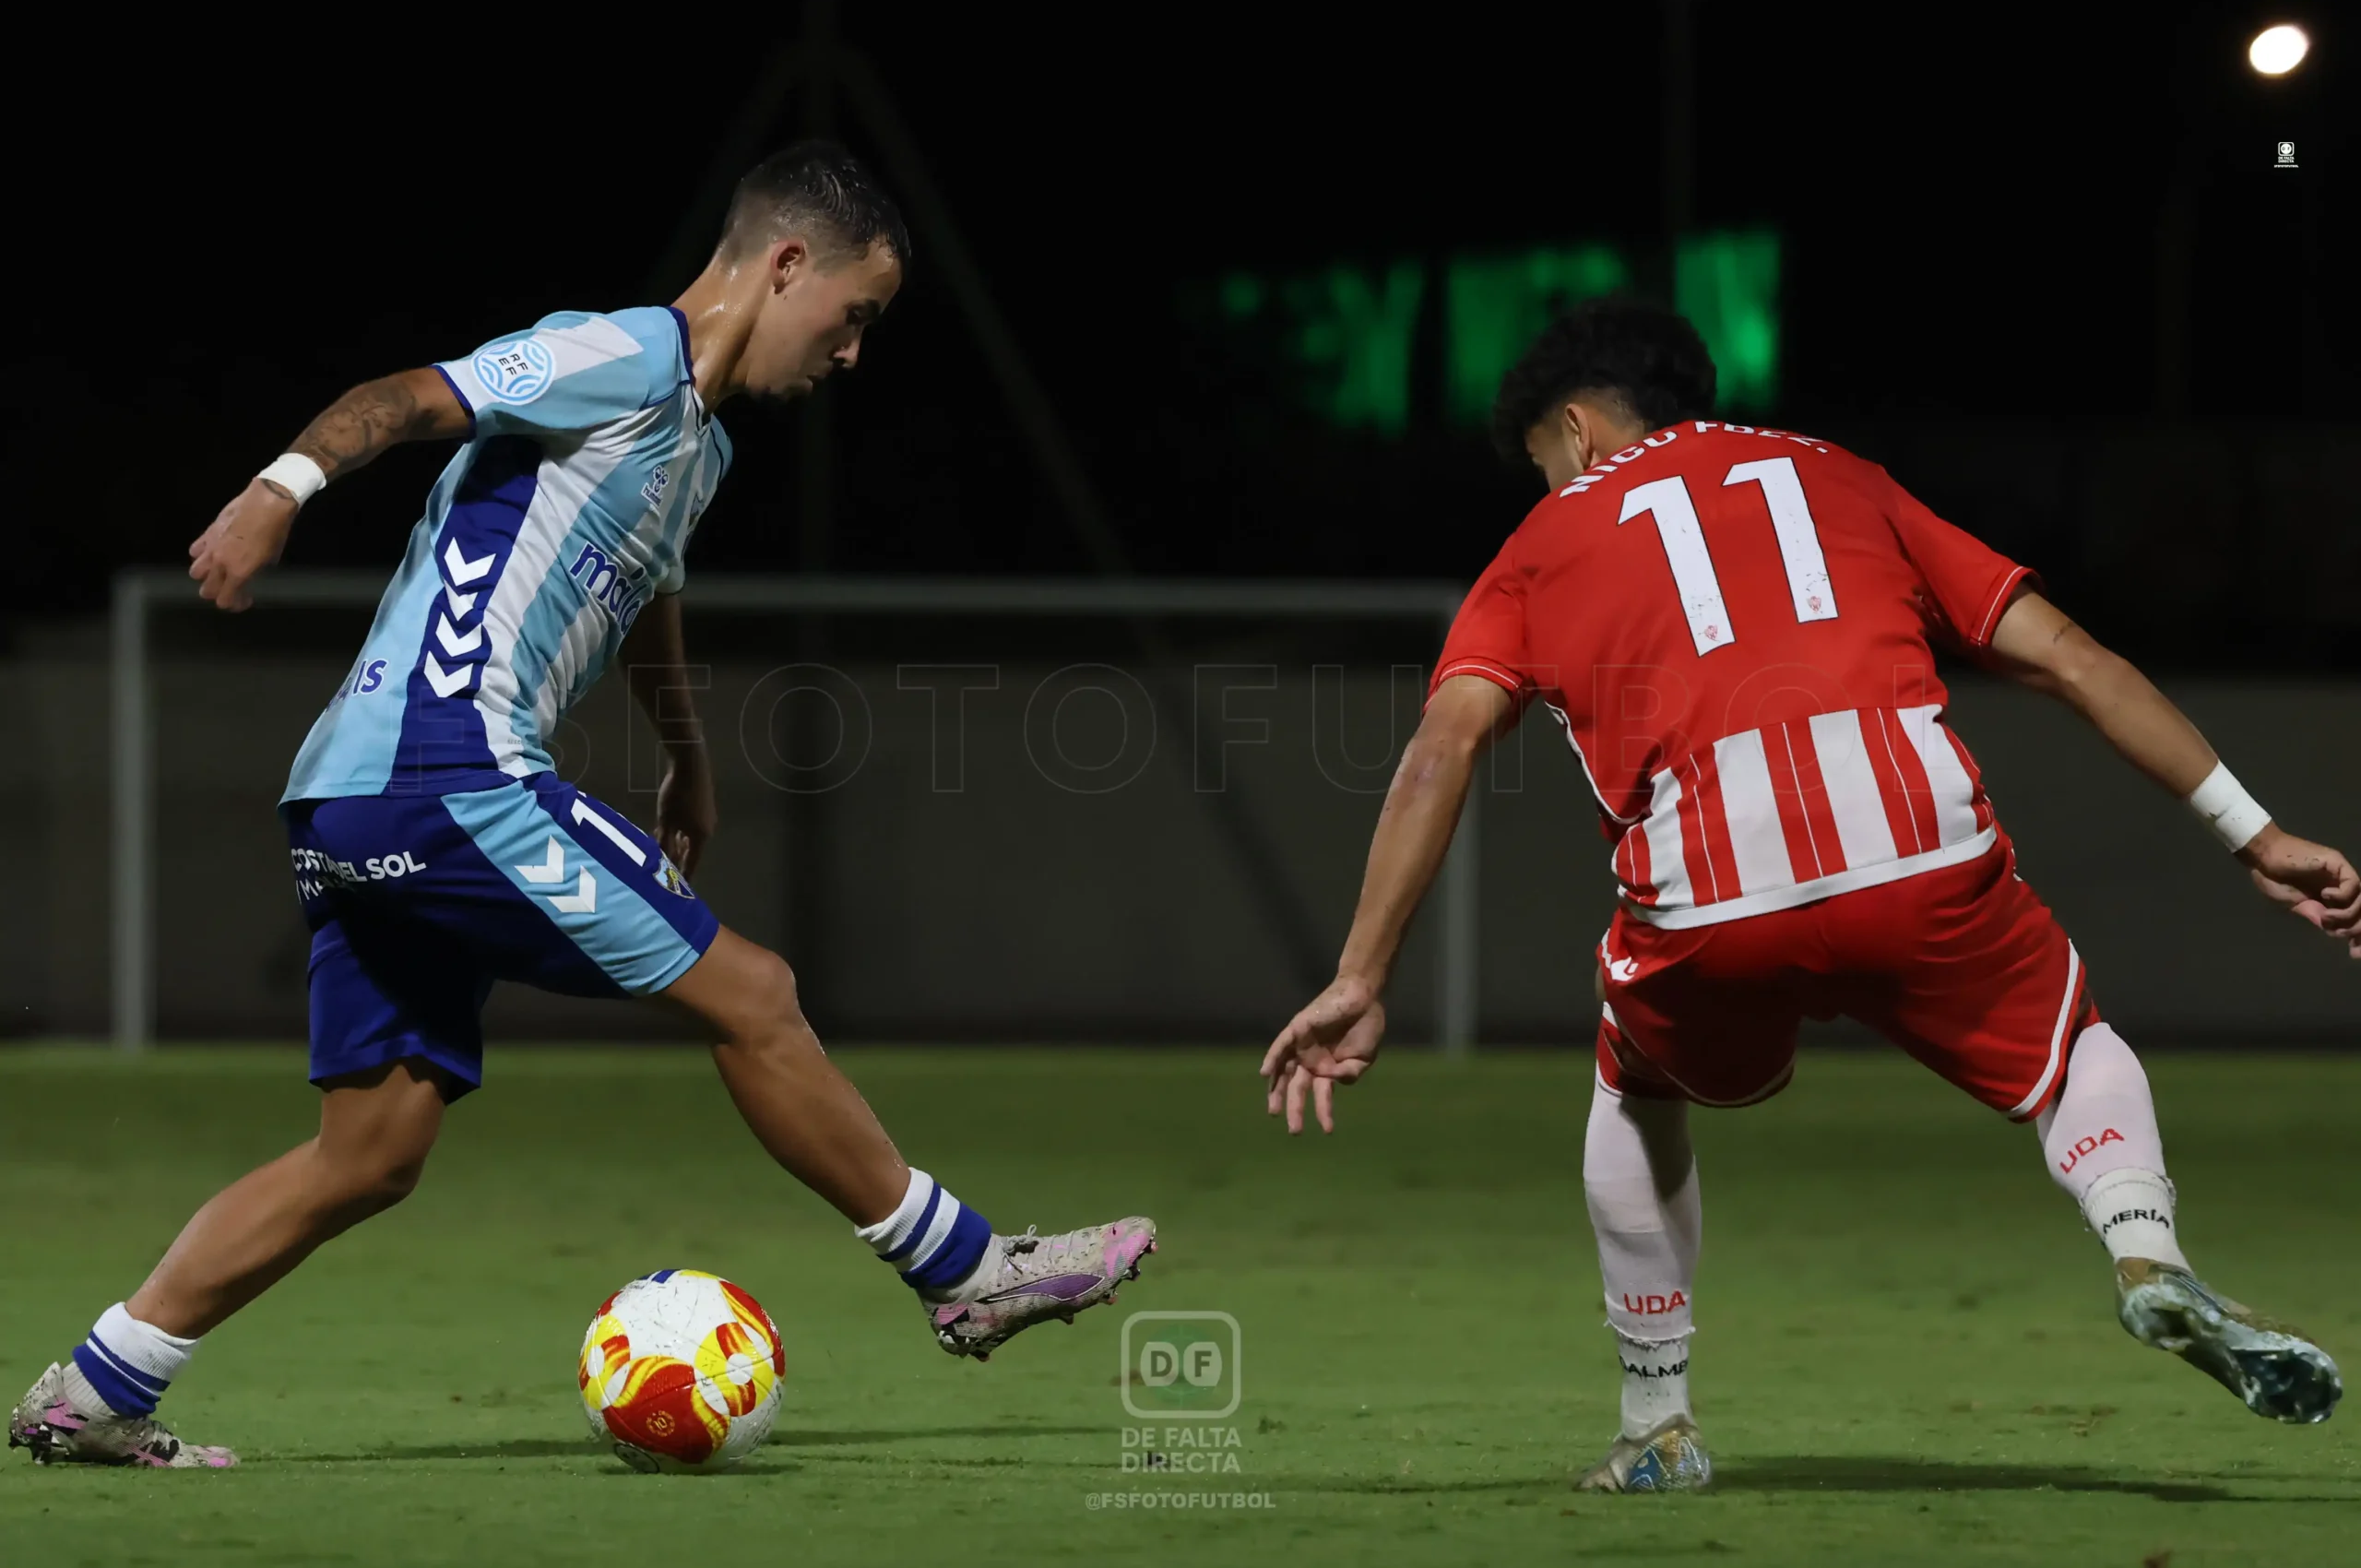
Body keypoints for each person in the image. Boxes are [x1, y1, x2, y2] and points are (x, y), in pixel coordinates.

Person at [9, 142, 1155, 1471]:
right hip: (447, 775)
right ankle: (964, 1268)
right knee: (756, 992)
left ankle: (92, 1390)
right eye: (856, 315)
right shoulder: (618, 355)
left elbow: (649, 590)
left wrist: (687, 752)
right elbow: (407, 396)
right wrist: (279, 491)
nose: (852, 355)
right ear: (786, 264)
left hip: (352, 799)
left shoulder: (698, 445)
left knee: (371, 1147)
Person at [1262, 296, 2355, 1493]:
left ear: (1575, 432)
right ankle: (2146, 1248)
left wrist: (1363, 975)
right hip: (1920, 848)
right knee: (2066, 1044)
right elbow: (2072, 658)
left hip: (1712, 894)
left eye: (1539, 465)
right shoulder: (1844, 476)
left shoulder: (1539, 547)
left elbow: (1441, 748)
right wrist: (2257, 833)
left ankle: (1655, 1422)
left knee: (1634, 1077)